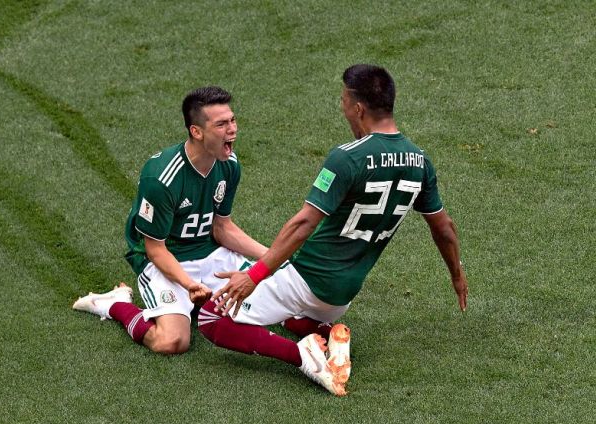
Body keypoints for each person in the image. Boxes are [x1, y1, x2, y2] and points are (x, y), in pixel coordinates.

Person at [196, 64, 468, 396]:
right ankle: (327, 331)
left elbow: (303, 224)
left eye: (343, 101)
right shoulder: (420, 161)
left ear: (358, 107)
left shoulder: (347, 157)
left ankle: (302, 356)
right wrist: (456, 274)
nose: (342, 109)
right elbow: (444, 228)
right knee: (291, 319)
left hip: (310, 278)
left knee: (212, 318)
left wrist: (254, 275)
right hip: (343, 294)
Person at [72, 86, 268, 355]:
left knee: (283, 292)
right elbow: (155, 249)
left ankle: (200, 303)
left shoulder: (230, 164)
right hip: (168, 261)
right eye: (221, 124)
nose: (232, 129)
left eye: (232, 120)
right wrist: (189, 284)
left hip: (212, 255)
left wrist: (272, 259)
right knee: (172, 342)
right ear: (196, 131)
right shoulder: (162, 178)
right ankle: (115, 304)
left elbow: (222, 227)